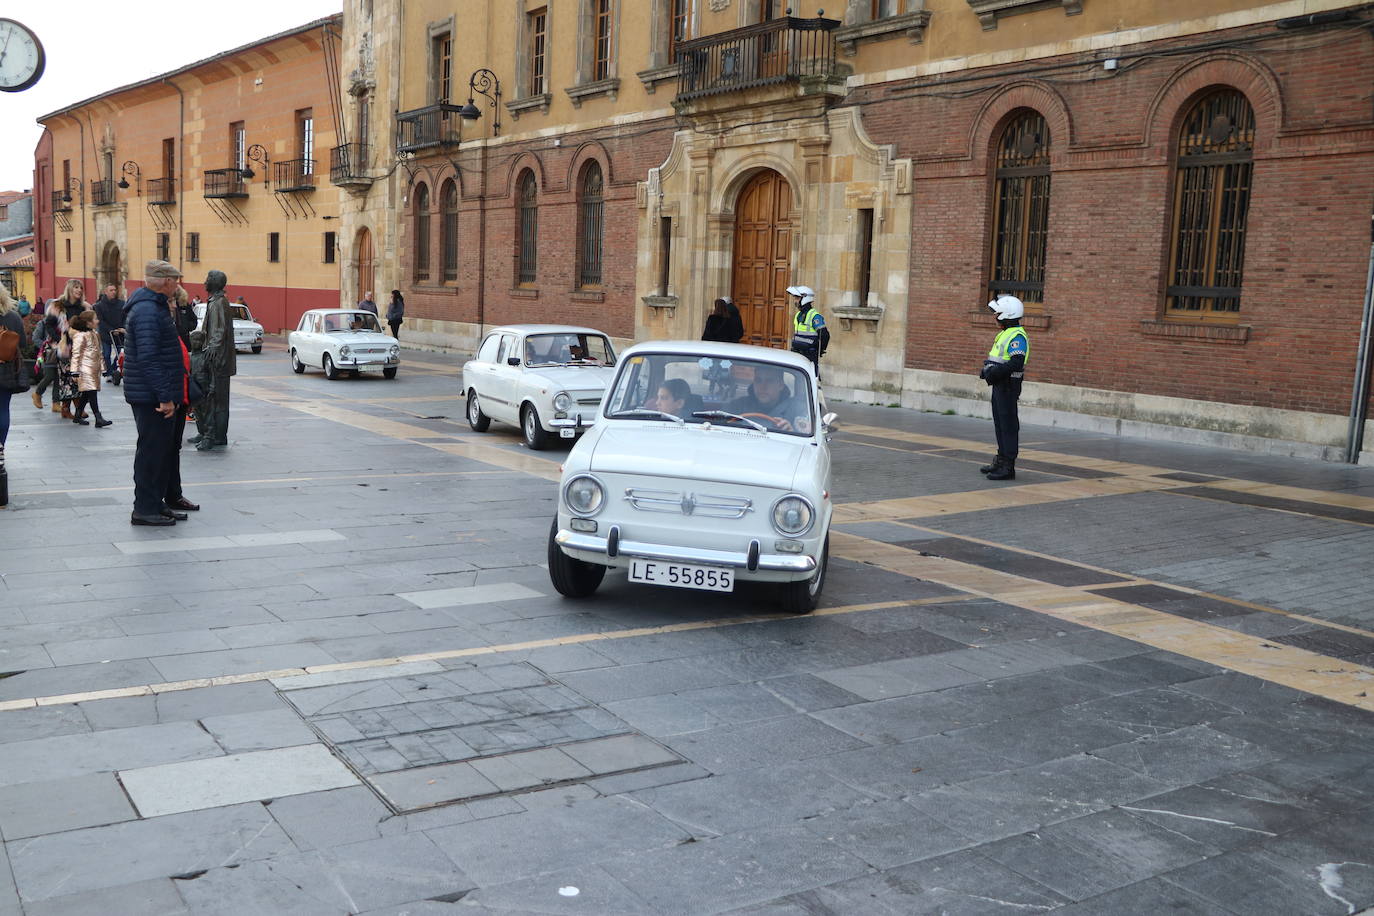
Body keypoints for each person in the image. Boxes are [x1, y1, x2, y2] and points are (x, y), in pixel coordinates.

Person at [123, 260, 190, 526]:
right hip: (150, 396)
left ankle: (155, 502)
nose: (178, 284)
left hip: (154, 392)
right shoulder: (148, 311)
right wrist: (164, 396)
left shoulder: (154, 307)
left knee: (161, 451)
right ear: (164, 281)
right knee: (151, 452)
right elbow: (148, 358)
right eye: (175, 280)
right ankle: (144, 509)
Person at [979, 294, 1030, 481]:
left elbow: (1016, 363)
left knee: (1008, 426)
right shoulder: (1005, 333)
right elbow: (1000, 359)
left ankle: (1008, 467)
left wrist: (995, 372)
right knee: (1000, 424)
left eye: (997, 313)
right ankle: (1001, 460)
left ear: (1007, 315)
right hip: (1000, 385)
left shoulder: (1017, 336)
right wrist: (988, 370)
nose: (995, 317)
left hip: (1008, 386)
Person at [196, 270, 235, 451]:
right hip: (215, 358)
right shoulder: (215, 301)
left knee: (218, 400)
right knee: (213, 398)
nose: (204, 282)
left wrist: (211, 347)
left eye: (207, 279)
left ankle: (218, 436)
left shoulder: (220, 302)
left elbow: (219, 330)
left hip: (219, 360)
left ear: (214, 283)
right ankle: (208, 431)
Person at [0, 286, 31, 506]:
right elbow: (22, 344)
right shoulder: (12, 316)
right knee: (3, 409)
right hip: (6, 370)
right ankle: (0, 449)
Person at [726, 363, 804, 431]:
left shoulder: (797, 411)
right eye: (758, 380)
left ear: (780, 385)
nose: (762, 387)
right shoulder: (737, 406)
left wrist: (791, 431)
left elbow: (806, 442)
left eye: (769, 381)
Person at [67, 310, 111, 428]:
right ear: (88, 323)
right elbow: (76, 353)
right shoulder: (80, 336)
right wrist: (74, 371)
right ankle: (98, 417)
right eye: (95, 319)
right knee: (92, 392)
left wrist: (103, 368)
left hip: (94, 369)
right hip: (84, 369)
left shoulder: (95, 334)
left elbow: (99, 352)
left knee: (87, 393)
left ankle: (77, 415)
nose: (98, 321)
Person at [787, 285, 829, 378]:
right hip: (797, 354)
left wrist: (820, 349)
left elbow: (825, 335)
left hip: (809, 355)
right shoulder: (798, 315)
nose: (795, 301)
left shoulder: (814, 316)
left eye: (797, 298)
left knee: (812, 379)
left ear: (805, 298)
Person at [94, 283, 126, 380]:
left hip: (119, 332)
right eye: (111, 290)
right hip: (106, 333)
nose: (113, 292)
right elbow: (100, 320)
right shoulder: (99, 306)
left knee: (121, 353)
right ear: (105, 292)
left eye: (114, 290)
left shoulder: (121, 304)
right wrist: (110, 329)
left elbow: (125, 317)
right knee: (106, 354)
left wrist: (122, 328)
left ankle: (113, 369)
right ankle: (108, 373)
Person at [30, 314, 61, 411]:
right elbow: (35, 338)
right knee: (49, 376)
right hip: (46, 355)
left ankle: (56, 403)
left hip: (60, 354)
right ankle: (37, 393)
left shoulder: (61, 324)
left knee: (58, 378)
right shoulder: (43, 323)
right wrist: (46, 347)